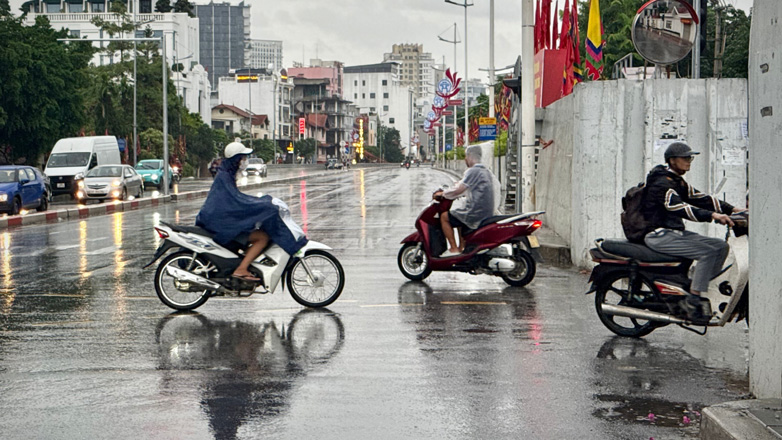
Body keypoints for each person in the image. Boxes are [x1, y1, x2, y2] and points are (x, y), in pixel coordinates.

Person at [642, 142, 745, 322]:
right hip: (659, 235)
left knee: (720, 246)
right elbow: (680, 207)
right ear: (672, 161)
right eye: (685, 158)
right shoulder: (661, 183)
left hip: (674, 233)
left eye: (690, 158)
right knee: (707, 252)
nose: (689, 161)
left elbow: (702, 199)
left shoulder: (677, 181)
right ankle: (693, 300)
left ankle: (698, 285)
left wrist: (733, 210)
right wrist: (713, 216)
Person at [196, 140, 308, 282]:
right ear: (236, 159)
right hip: (221, 224)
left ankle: (243, 264)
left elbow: (237, 198)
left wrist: (260, 202)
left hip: (222, 221)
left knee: (256, 230)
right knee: (262, 237)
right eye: (243, 158)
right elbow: (236, 201)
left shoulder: (226, 174)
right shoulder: (224, 177)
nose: (245, 161)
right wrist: (261, 205)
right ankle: (241, 269)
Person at [433, 145, 500, 258]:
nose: (465, 159)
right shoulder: (485, 171)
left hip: (476, 211)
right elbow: (471, 188)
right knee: (459, 215)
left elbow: (459, 189)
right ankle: (461, 247)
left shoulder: (473, 171)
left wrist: (443, 194)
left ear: (470, 156)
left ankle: (453, 248)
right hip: (485, 211)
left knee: (444, 217)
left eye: (465, 156)